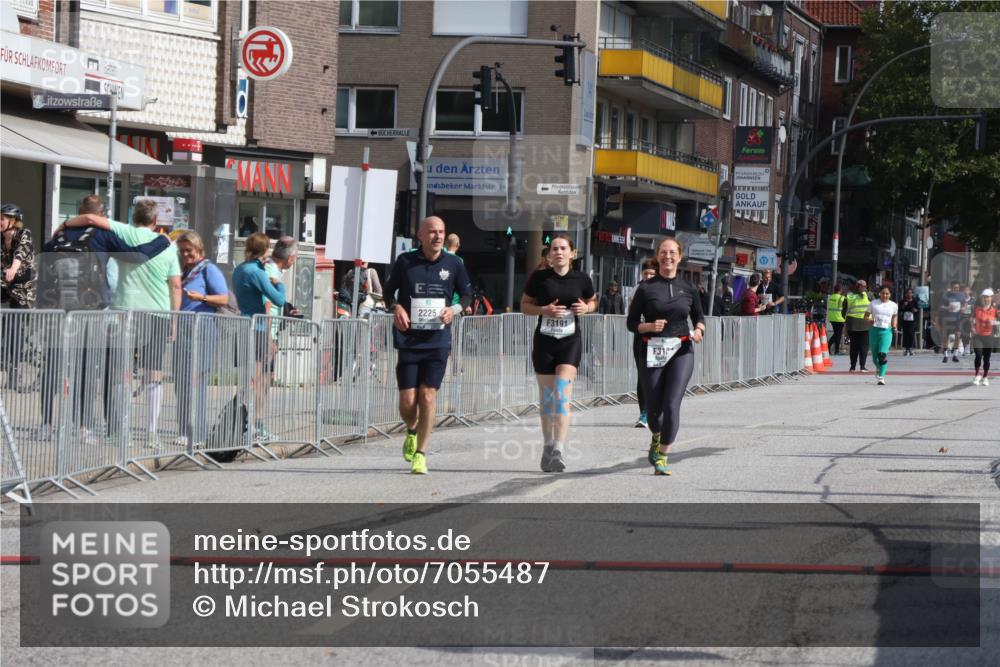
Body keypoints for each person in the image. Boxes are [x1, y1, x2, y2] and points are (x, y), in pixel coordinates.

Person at [40, 195, 170, 438]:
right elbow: (137, 255)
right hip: (91, 310)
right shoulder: (101, 235)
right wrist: (162, 241)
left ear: (79, 211)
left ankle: (46, 425)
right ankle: (83, 427)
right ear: (101, 215)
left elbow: (45, 271)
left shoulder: (57, 236)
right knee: (86, 368)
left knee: (53, 366)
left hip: (57, 308)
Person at [383, 216, 471, 475]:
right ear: (420, 235)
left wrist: (453, 310)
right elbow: (389, 291)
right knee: (407, 402)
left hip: (438, 340)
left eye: (442, 232)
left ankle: (421, 454)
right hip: (409, 339)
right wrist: (396, 306)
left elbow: (468, 295)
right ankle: (412, 428)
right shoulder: (405, 262)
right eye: (432, 232)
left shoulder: (454, 263)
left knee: (428, 395)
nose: (438, 236)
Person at [627, 237, 706, 476]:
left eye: (672, 252)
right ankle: (656, 436)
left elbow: (699, 317)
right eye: (663, 252)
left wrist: (700, 330)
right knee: (654, 410)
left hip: (682, 349)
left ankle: (662, 456)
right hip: (652, 350)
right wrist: (648, 327)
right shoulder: (646, 288)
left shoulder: (689, 288)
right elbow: (631, 323)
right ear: (658, 256)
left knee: (672, 404)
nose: (668, 256)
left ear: (679, 257)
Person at [520, 235, 597, 472]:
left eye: (564, 248)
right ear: (549, 254)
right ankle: (547, 444)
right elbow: (524, 306)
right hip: (544, 342)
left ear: (572, 253)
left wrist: (586, 308)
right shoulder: (540, 278)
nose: (559, 252)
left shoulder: (581, 278)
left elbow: (593, 301)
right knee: (547, 399)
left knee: (562, 395)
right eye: (555, 249)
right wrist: (544, 309)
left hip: (569, 341)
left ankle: (559, 449)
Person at [175, 230, 229, 445]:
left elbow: (223, 298)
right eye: (182, 251)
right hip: (184, 331)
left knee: (197, 381)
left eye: (189, 250)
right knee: (182, 382)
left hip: (203, 331)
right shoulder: (183, 270)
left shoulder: (209, 269)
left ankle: (197, 431)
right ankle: (183, 429)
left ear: (198, 249)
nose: (185, 254)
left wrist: (202, 297)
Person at [232, 232, 286, 441]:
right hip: (259, 328)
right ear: (265, 250)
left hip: (244, 326)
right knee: (260, 380)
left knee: (249, 378)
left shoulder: (240, 269)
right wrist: (277, 282)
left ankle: (245, 422)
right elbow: (278, 300)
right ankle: (255, 424)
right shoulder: (256, 272)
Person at [1, 204, 36, 390]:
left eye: (2, 218)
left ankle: (14, 370)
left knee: (14, 330)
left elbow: (20, 252)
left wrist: (13, 268)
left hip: (25, 290)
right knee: (7, 329)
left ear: (13, 221)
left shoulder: (24, 234)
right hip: (6, 285)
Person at [632, 258, 658, 429]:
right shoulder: (637, 289)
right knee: (642, 375)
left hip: (659, 337)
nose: (647, 276)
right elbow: (630, 314)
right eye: (645, 273)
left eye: (651, 273)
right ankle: (644, 413)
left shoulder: (661, 289)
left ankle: (655, 410)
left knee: (655, 375)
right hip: (640, 335)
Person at [865, 286, 898, 386]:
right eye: (883, 293)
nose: (885, 295)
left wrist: (894, 326)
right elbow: (865, 316)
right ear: (879, 293)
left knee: (882, 355)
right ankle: (879, 369)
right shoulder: (873, 303)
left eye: (887, 293)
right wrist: (870, 320)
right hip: (874, 332)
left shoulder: (893, 305)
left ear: (890, 295)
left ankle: (881, 377)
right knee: (875, 359)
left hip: (887, 332)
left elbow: (894, 316)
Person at [845, 280, 872, 373]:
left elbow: (843, 310)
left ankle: (852, 367)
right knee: (863, 346)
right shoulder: (869, 295)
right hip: (865, 323)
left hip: (852, 323)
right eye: (865, 286)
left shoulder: (849, 295)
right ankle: (862, 366)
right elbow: (873, 307)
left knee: (854, 346)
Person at [972, 288, 996, 386]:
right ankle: (977, 375)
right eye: (984, 297)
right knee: (978, 355)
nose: (986, 299)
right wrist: (972, 328)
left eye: (987, 297)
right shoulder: (977, 309)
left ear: (991, 298)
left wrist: (994, 322)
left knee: (987, 358)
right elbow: (971, 319)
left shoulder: (995, 310)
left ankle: (985, 377)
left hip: (989, 336)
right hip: (978, 336)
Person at [939, 281, 964, 363]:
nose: (955, 289)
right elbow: (941, 306)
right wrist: (948, 307)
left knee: (958, 335)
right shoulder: (945, 296)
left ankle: (955, 355)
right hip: (947, 319)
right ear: (951, 287)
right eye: (954, 288)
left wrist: (963, 308)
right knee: (946, 337)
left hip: (957, 319)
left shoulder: (961, 295)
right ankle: (945, 355)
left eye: (957, 288)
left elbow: (964, 304)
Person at [826, 283, 847, 355]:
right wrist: (844, 320)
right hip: (839, 319)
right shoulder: (842, 298)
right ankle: (829, 346)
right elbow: (844, 311)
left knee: (836, 334)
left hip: (832, 318)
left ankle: (836, 350)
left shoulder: (831, 297)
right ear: (840, 290)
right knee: (838, 334)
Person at [898, 288, 919, 356]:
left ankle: (910, 348)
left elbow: (917, 310)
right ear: (905, 294)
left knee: (911, 333)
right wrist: (904, 305)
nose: (909, 294)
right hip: (905, 320)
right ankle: (906, 349)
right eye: (908, 293)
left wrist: (915, 310)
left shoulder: (915, 301)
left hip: (912, 320)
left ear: (912, 294)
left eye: (910, 293)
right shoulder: (902, 301)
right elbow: (900, 310)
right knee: (905, 333)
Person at [959, 285, 976, 357]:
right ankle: (963, 347)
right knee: (962, 334)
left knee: (969, 333)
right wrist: (962, 308)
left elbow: (975, 310)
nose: (966, 292)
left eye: (967, 290)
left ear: (970, 291)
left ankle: (969, 348)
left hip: (970, 318)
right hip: (961, 318)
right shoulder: (960, 300)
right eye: (964, 290)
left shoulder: (973, 300)